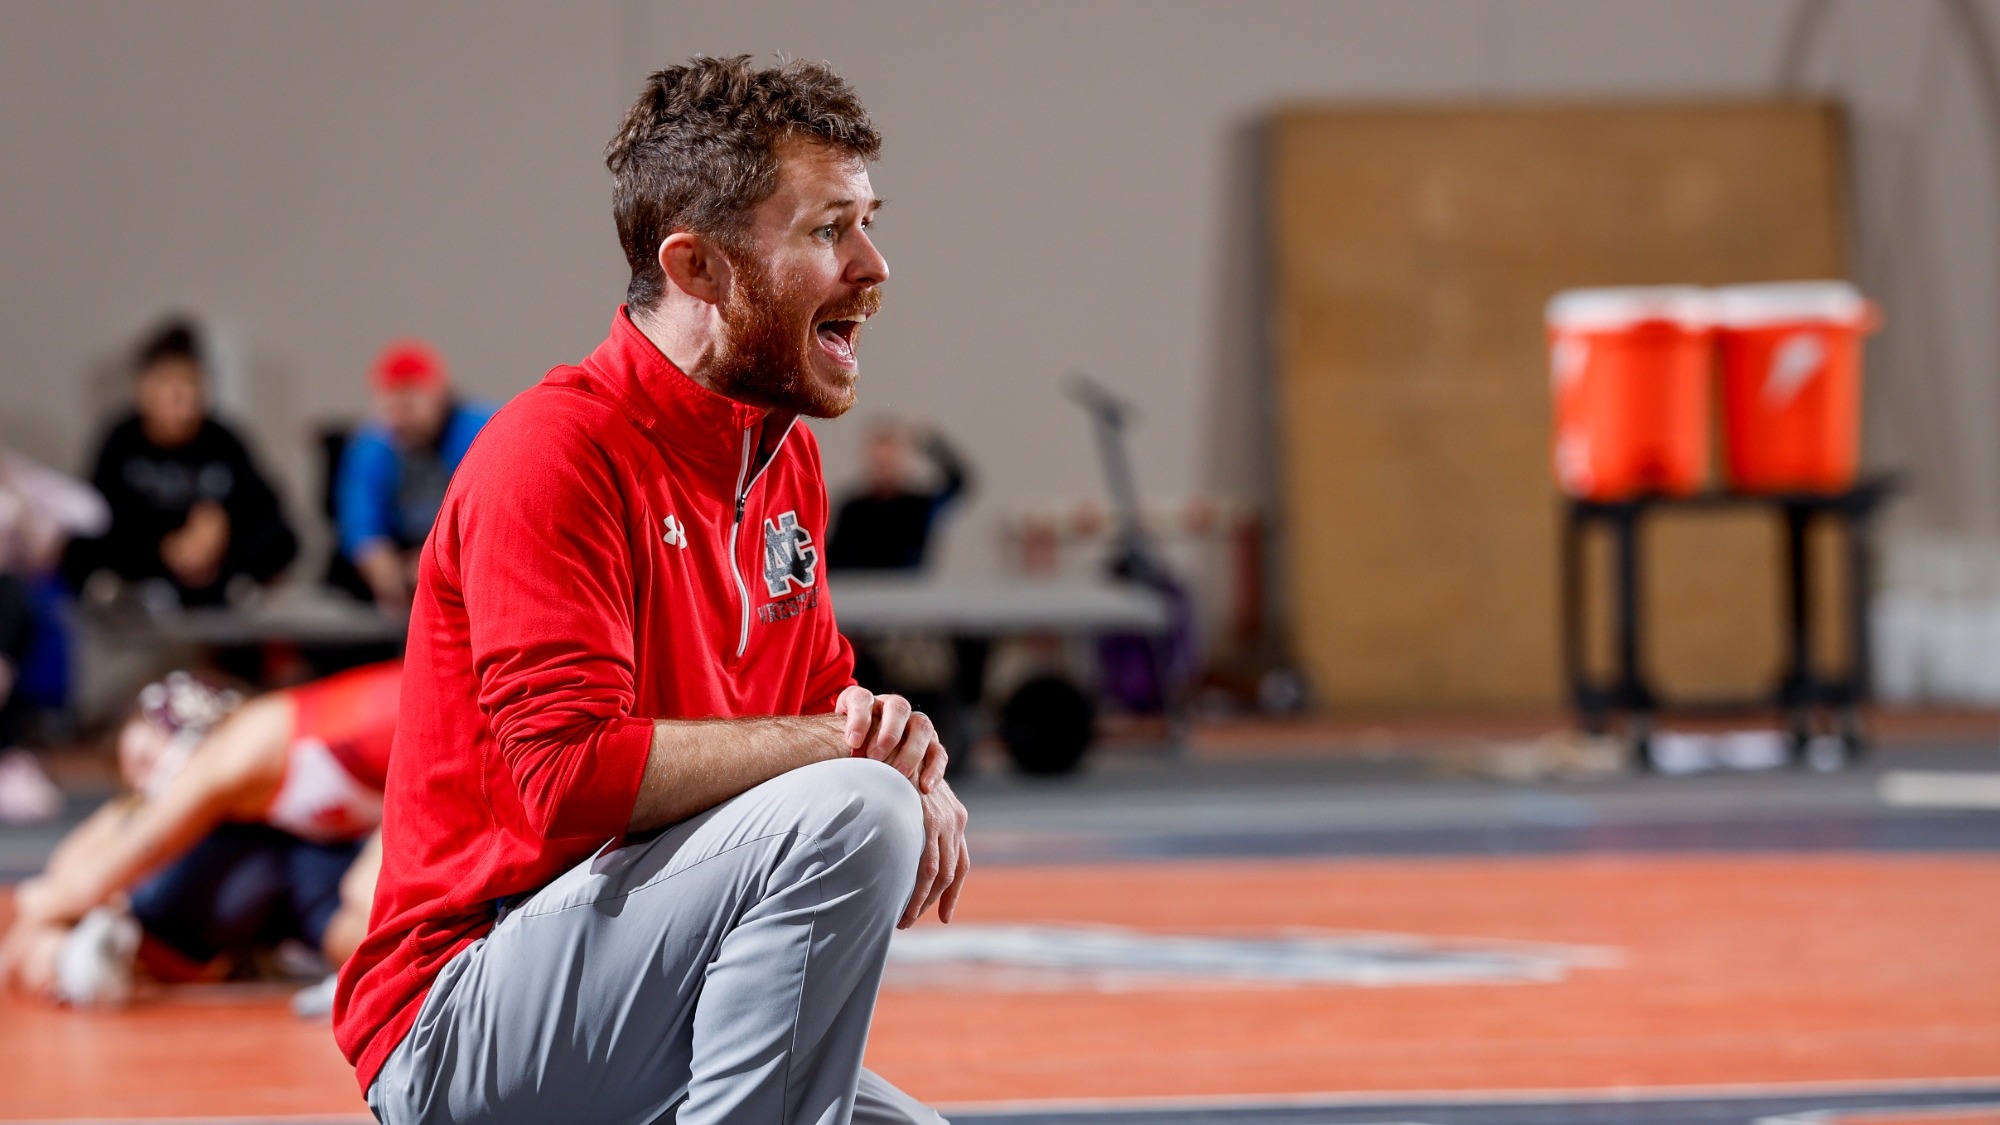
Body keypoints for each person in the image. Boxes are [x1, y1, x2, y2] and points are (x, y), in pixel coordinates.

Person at [335, 56, 967, 1125]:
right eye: (827, 230)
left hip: (634, 1003)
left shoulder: (781, 463)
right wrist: (860, 759)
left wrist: (902, 750)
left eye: (867, 222)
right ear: (700, 268)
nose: (874, 264)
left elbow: (821, 708)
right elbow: (568, 775)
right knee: (853, 808)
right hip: (458, 1024)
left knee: (861, 799)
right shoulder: (551, 452)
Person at [0, 661, 398, 1008]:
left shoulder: (236, 752)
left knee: (370, 906)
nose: (147, 788)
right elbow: (115, 834)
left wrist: (29, 926)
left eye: (147, 761)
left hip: (423, 758)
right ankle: (78, 949)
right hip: (370, 807)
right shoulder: (247, 760)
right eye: (135, 781)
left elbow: (90, 878)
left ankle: (77, 949)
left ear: (187, 728)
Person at [61, 319, 298, 609]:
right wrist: (164, 546)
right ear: (142, 388)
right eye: (166, 382)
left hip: (220, 581)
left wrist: (221, 533)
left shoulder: (224, 441)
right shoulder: (121, 442)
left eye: (189, 382)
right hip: (141, 579)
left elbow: (272, 521)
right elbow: (94, 519)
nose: (179, 395)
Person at [334, 340, 496, 611]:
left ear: (438, 397)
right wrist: (378, 564)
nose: (398, 421)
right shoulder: (372, 444)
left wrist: (436, 558)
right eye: (390, 410)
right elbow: (360, 518)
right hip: (405, 557)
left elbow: (490, 510)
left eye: (408, 407)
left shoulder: (482, 430)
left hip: (466, 558)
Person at [0, 447, 109, 822]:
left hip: (9, 602)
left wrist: (33, 518)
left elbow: (93, 513)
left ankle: (9, 752)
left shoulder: (15, 478)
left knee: (20, 597)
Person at [827, 419, 971, 571]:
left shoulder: (918, 506)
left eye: (889, 462)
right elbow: (834, 557)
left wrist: (931, 443)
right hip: (860, 590)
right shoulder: (852, 509)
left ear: (900, 461)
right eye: (879, 463)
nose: (883, 469)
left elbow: (958, 483)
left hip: (908, 591)